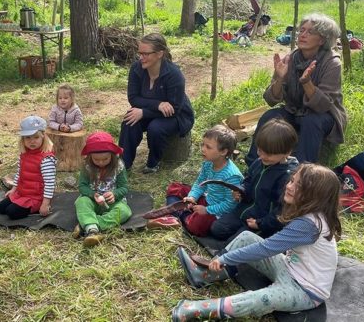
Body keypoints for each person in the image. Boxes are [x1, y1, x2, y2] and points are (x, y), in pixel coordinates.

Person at [172, 163, 342, 320]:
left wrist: (224, 258)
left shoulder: (309, 225)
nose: (289, 186)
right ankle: (205, 275)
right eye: (291, 181)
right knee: (247, 238)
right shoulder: (309, 213)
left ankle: (199, 309)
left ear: (315, 196)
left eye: (299, 186)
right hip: (289, 267)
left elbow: (267, 248)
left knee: (261, 299)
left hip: (305, 291)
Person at [245, 13, 346, 166]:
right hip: (294, 111)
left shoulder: (332, 63)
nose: (302, 35)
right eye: (302, 30)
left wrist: (306, 82)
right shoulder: (290, 58)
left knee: (311, 121)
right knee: (270, 116)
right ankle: (254, 165)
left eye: (310, 32)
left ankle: (302, 171)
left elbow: (323, 106)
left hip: (323, 116)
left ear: (322, 39)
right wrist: (280, 78)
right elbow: (270, 100)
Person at [210, 119, 299, 241]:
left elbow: (282, 210)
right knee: (217, 229)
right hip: (244, 211)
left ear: (287, 153)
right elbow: (248, 180)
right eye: (260, 151)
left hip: (262, 221)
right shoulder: (259, 162)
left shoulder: (287, 176)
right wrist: (241, 191)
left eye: (268, 154)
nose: (262, 156)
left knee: (235, 243)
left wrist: (261, 223)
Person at [119, 33, 194, 173]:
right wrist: (157, 104)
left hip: (177, 116)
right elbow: (133, 98)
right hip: (151, 111)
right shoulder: (136, 69)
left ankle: (153, 162)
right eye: (139, 53)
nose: (141, 57)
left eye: (145, 54)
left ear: (160, 53)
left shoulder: (174, 74)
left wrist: (144, 111)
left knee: (156, 128)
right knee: (129, 121)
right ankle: (123, 163)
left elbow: (175, 108)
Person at [147, 125, 243, 236]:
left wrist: (207, 210)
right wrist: (192, 197)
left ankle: (179, 216)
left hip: (217, 211)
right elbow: (200, 183)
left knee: (197, 226)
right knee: (175, 187)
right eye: (203, 145)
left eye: (208, 147)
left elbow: (230, 205)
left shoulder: (232, 176)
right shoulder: (208, 162)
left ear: (223, 152)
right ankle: (181, 214)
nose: (203, 149)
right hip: (207, 198)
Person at [0, 116, 56, 219]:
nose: (32, 141)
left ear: (43, 137)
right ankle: (19, 202)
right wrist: (14, 190)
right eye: (28, 137)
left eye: (36, 137)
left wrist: (45, 204)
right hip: (22, 193)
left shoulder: (46, 159)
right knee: (1, 208)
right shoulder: (24, 155)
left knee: (11, 212)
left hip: (36, 197)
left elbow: (50, 184)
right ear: (22, 139)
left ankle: (35, 207)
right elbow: (19, 174)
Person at [73, 132, 132, 247]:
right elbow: (82, 186)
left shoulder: (119, 166)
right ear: (90, 157)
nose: (101, 162)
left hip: (113, 202)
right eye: (96, 160)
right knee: (81, 202)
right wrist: (92, 194)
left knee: (125, 211)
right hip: (93, 200)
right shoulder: (87, 166)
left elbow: (124, 187)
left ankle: (90, 226)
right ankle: (92, 228)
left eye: (105, 159)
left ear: (112, 155)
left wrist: (115, 194)